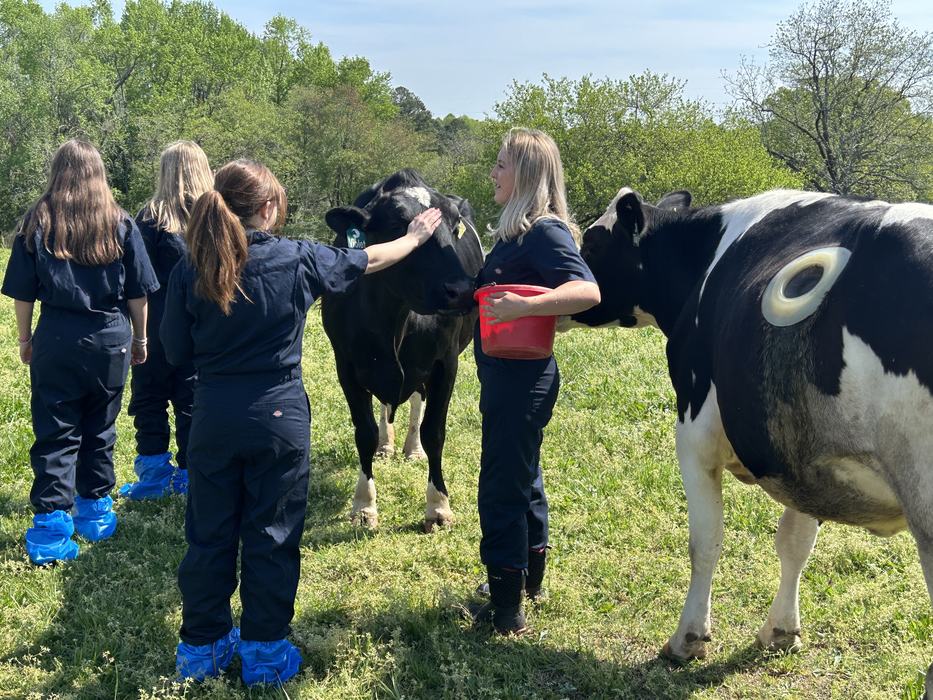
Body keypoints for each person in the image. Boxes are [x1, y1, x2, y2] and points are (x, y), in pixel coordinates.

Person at [161, 159, 442, 686]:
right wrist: (416, 236)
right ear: (267, 209)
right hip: (277, 417)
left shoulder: (188, 267)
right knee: (272, 532)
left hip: (214, 415)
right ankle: (265, 654)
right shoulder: (296, 259)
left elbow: (175, 351)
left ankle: (201, 650)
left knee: (208, 533)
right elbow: (367, 258)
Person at [1, 139, 158, 565]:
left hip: (56, 335)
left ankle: (51, 529)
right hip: (109, 337)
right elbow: (139, 294)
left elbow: (22, 294)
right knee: (100, 425)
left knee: (55, 430)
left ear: (57, 173)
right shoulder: (121, 222)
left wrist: (24, 340)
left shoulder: (38, 222)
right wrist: (141, 340)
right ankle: (94, 512)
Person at [469, 128, 601, 634]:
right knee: (524, 477)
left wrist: (528, 305)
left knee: (502, 484)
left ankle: (505, 609)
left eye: (501, 164)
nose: (493, 173)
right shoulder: (515, 235)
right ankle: (528, 579)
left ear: (525, 173)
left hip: (521, 379)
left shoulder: (546, 231)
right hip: (509, 374)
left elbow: (586, 290)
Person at [120, 141, 213, 500]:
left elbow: (134, 279)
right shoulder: (215, 218)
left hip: (156, 326)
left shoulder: (149, 218)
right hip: (202, 328)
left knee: (149, 398)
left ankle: (155, 476)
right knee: (194, 400)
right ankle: (192, 474)